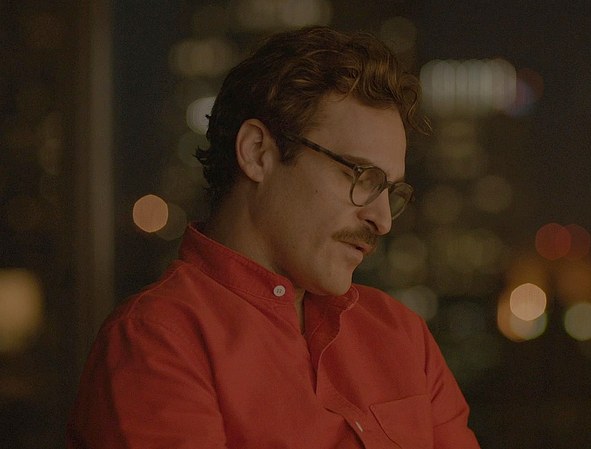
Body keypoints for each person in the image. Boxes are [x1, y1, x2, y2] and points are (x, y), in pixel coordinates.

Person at [67, 26, 481, 449]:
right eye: (361, 176)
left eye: (390, 191)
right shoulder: (157, 341)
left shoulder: (403, 335)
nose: (382, 220)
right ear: (257, 152)